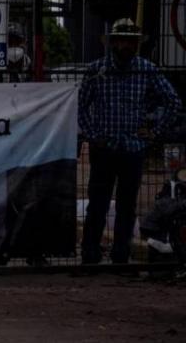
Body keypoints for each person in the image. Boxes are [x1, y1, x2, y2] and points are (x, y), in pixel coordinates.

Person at [79, 18, 182, 265]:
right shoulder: (97, 70)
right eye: (122, 40)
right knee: (98, 203)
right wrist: (93, 135)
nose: (126, 45)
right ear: (113, 43)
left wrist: (154, 130)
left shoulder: (146, 70)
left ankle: (121, 256)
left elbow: (173, 102)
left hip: (133, 148)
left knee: (127, 205)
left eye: (131, 41)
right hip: (104, 147)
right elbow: (81, 106)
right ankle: (90, 255)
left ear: (137, 44)